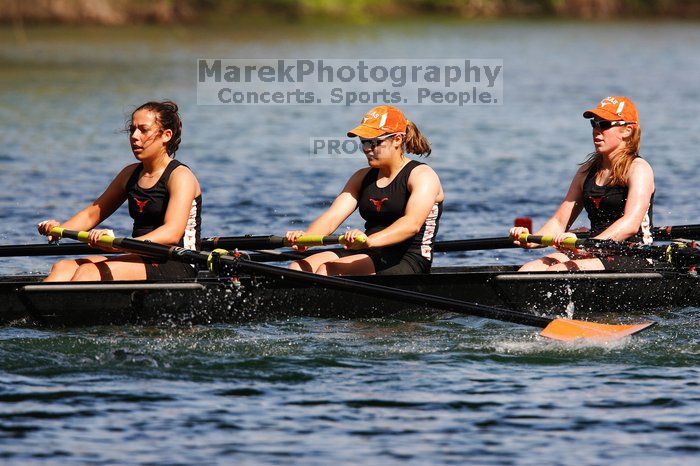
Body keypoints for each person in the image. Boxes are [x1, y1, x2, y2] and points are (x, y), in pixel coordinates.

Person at [37, 100, 202, 282]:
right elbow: (93, 213)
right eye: (132, 130)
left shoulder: (180, 177)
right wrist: (58, 229)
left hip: (177, 261)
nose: (134, 136)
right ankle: (40, 309)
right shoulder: (129, 173)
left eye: (143, 130)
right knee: (62, 268)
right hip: (141, 256)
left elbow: (171, 233)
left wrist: (119, 246)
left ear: (166, 135)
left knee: (88, 273)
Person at [286, 105, 444, 276]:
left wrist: (368, 242)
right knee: (298, 268)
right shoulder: (361, 177)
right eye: (364, 142)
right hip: (368, 250)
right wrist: (306, 239)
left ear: (398, 139)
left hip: (407, 259)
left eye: (375, 142)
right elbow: (332, 217)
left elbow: (411, 225)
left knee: (329, 269)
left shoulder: (422, 175)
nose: (367, 148)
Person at [510, 96, 654, 271]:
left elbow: (630, 224)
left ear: (627, 130)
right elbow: (559, 221)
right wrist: (531, 240)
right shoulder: (587, 171)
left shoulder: (638, 169)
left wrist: (589, 245)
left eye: (605, 124)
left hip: (633, 254)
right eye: (594, 124)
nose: (597, 131)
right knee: (529, 269)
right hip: (594, 248)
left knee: (558, 271)